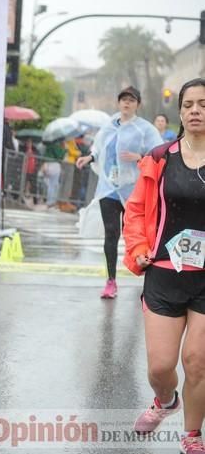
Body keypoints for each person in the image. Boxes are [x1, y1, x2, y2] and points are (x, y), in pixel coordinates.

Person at [122, 77, 205, 454]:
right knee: (160, 366)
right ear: (180, 111)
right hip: (164, 274)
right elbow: (137, 210)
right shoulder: (160, 157)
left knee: (197, 361)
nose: (195, 110)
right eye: (189, 104)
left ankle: (192, 436)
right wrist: (139, 249)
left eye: (203, 104)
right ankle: (165, 399)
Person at [76, 86, 162, 299]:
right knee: (111, 234)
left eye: (131, 100)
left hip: (134, 192)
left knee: (138, 236)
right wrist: (89, 157)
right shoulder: (109, 126)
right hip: (109, 189)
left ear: (137, 105)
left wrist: (140, 156)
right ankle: (111, 281)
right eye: (123, 99)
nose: (126, 103)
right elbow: (98, 149)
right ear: (118, 103)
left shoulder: (145, 129)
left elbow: (160, 153)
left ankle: (146, 278)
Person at [41, 139, 65, 208]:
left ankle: (48, 200)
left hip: (47, 165)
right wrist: (64, 149)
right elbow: (60, 156)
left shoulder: (47, 146)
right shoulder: (56, 147)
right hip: (54, 166)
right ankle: (50, 202)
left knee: (49, 184)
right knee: (53, 185)